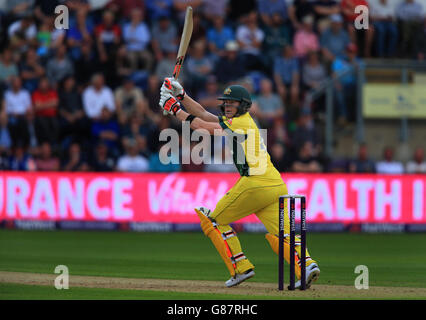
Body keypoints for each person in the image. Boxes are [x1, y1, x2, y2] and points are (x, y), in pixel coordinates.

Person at [159, 77, 320, 288]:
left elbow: (201, 126)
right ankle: (307, 265)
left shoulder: (242, 121)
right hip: (274, 183)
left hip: (255, 182)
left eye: (232, 103)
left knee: (213, 221)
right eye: (225, 102)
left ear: (242, 105)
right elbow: (205, 114)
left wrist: (173, 108)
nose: (227, 106)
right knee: (284, 232)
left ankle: (240, 267)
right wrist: (182, 96)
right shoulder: (237, 121)